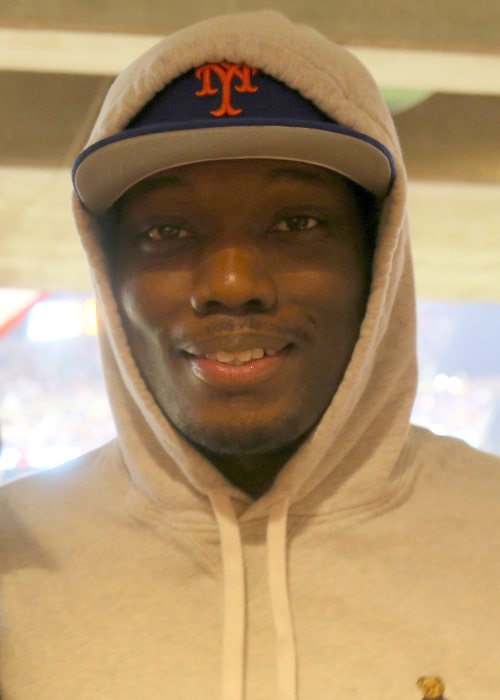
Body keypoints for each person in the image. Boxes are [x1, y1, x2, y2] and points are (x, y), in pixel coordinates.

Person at [1, 11, 499, 700]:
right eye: (167, 230)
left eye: (298, 223)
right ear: (109, 274)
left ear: (376, 262)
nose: (232, 285)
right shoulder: (15, 572)